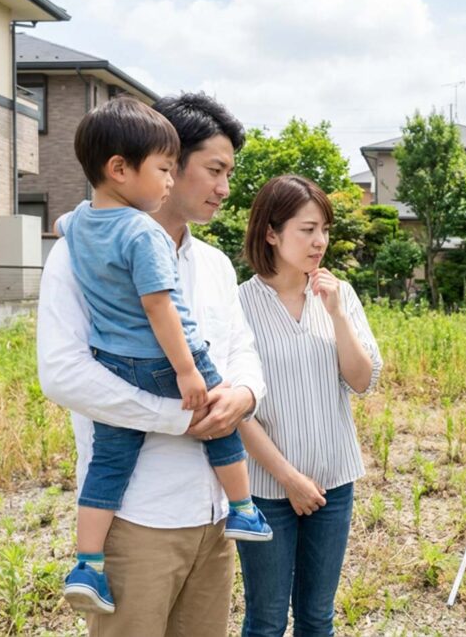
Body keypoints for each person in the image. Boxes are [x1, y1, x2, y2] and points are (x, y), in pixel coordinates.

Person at [38, 92, 265, 637]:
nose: (224, 189)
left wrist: (244, 396)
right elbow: (63, 373)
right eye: (214, 170)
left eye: (229, 173)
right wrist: (179, 417)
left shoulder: (212, 264)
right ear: (166, 162)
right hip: (137, 514)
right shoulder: (75, 256)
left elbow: (242, 351)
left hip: (216, 517)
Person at [233, 174, 382, 637]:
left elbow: (362, 381)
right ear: (271, 232)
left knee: (319, 618)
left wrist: (336, 313)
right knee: (266, 620)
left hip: (334, 482)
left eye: (325, 230)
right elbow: (237, 411)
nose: (320, 241)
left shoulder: (340, 294)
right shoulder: (238, 303)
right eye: (307, 229)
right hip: (266, 489)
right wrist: (289, 479)